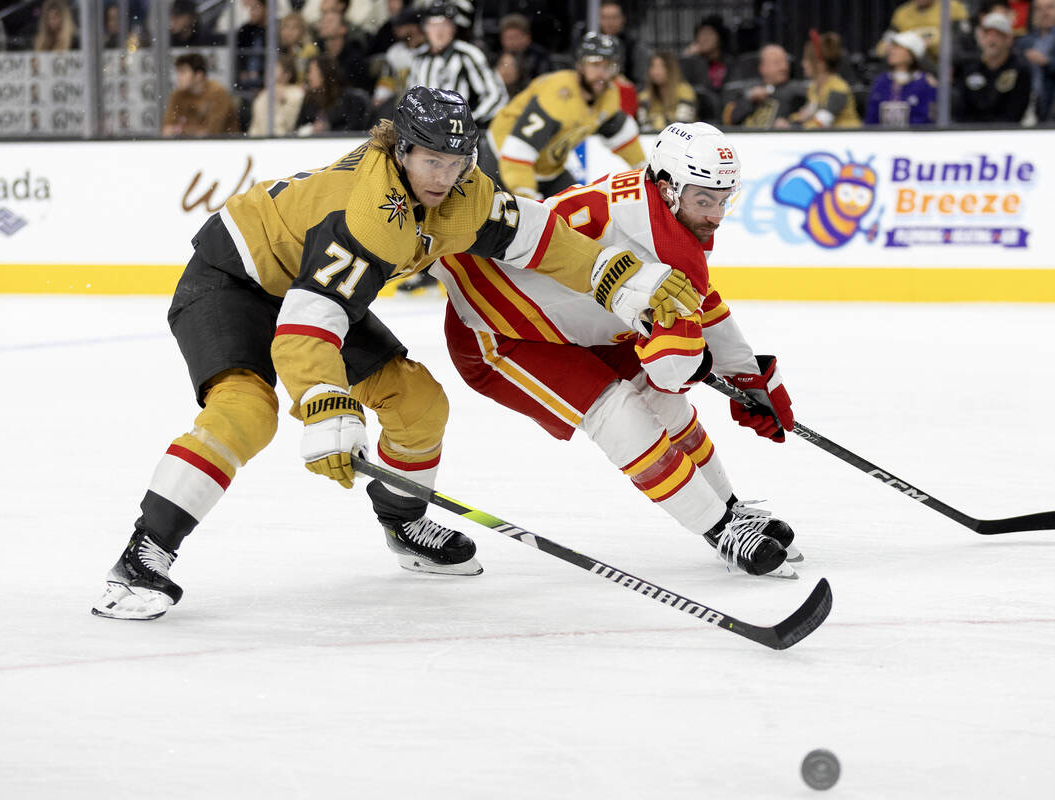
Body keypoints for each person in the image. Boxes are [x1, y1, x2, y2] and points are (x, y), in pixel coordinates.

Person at [90, 86, 703, 620]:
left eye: (456, 162)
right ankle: (143, 554)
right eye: (431, 159)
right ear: (401, 149)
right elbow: (310, 321)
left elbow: (538, 235)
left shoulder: (461, 194)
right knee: (247, 411)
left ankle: (404, 523)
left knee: (417, 401)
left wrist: (615, 274)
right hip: (233, 280)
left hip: (313, 290)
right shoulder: (370, 209)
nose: (443, 176)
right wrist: (323, 403)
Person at [433, 121, 800, 580]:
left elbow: (699, 302)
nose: (716, 214)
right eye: (704, 200)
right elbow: (672, 365)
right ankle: (720, 528)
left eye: (724, 199)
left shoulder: (661, 214)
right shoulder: (655, 239)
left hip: (577, 323)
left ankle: (729, 509)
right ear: (668, 188)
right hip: (493, 329)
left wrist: (746, 375)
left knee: (665, 404)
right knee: (618, 411)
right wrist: (698, 361)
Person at [488, 32, 645, 201]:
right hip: (501, 160)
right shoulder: (557, 96)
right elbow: (518, 152)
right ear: (580, 65)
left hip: (548, 168)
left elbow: (622, 136)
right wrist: (528, 198)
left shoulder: (609, 95)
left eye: (608, 67)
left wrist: (647, 171)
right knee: (506, 224)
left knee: (581, 213)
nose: (602, 74)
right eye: (595, 64)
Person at [407, 2, 506, 128]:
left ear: (454, 28)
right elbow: (411, 97)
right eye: (433, 25)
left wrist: (469, 121)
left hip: (459, 137)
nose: (439, 31)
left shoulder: (468, 54)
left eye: (444, 25)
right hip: (425, 134)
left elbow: (496, 95)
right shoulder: (418, 59)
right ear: (425, 28)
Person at [953, 11, 1032, 124]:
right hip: (971, 134)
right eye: (987, 34)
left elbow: (1015, 113)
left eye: (998, 34)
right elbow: (961, 111)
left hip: (1006, 134)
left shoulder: (1020, 70)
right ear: (980, 37)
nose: (992, 39)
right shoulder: (969, 69)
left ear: (1009, 39)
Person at [720, 43, 807, 129]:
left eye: (786, 62)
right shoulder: (746, 90)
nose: (784, 67)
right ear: (762, 67)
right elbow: (728, 121)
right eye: (777, 63)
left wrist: (791, 125)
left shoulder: (799, 92)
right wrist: (749, 99)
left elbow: (806, 119)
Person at [789, 31, 861, 129]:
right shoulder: (813, 87)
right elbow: (808, 113)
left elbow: (823, 119)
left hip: (849, 139)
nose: (803, 64)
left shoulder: (838, 88)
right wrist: (790, 121)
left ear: (820, 64)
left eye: (807, 60)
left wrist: (793, 127)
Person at [865, 30, 938, 127]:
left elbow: (927, 119)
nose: (891, 50)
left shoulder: (926, 82)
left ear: (911, 54)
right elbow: (871, 118)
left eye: (897, 47)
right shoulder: (882, 81)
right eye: (892, 46)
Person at [162, 53, 240, 137]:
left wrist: (180, 130)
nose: (178, 77)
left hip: (224, 145)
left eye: (183, 72)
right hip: (187, 145)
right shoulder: (178, 95)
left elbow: (212, 131)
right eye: (178, 72)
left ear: (198, 75)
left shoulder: (218, 93)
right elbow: (166, 129)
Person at [295, 54, 371, 134]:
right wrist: (310, 129)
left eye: (310, 71)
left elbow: (353, 130)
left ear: (323, 73)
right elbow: (298, 128)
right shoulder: (310, 100)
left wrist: (327, 130)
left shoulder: (351, 99)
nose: (308, 77)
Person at [876, 0, 970, 62]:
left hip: (943, 61)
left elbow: (963, 39)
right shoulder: (902, 12)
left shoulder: (952, 7)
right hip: (911, 63)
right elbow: (885, 43)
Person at [637, 51, 697, 133]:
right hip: (651, 139)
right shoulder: (644, 95)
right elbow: (643, 124)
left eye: (661, 67)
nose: (656, 72)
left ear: (671, 69)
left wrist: (657, 120)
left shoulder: (685, 91)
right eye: (653, 66)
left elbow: (683, 124)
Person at [248, 55, 306, 136]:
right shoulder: (262, 96)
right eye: (268, 70)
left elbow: (289, 126)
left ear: (287, 74)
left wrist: (282, 102)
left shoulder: (297, 94)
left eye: (273, 70)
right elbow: (254, 129)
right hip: (261, 145)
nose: (268, 74)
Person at [498, 13, 551, 88]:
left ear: (527, 38)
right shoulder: (495, 55)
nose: (512, 42)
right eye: (508, 38)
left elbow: (544, 81)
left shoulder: (539, 56)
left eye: (516, 37)